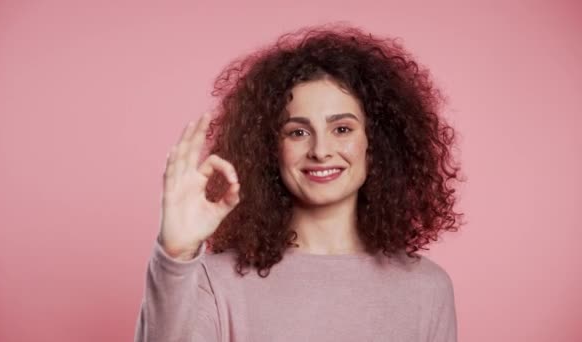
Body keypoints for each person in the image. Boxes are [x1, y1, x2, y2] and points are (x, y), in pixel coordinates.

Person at [134, 22, 465, 342]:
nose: (320, 151)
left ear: (375, 141)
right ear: (269, 149)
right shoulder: (215, 281)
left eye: (342, 129)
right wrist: (174, 254)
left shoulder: (427, 288)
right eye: (298, 132)